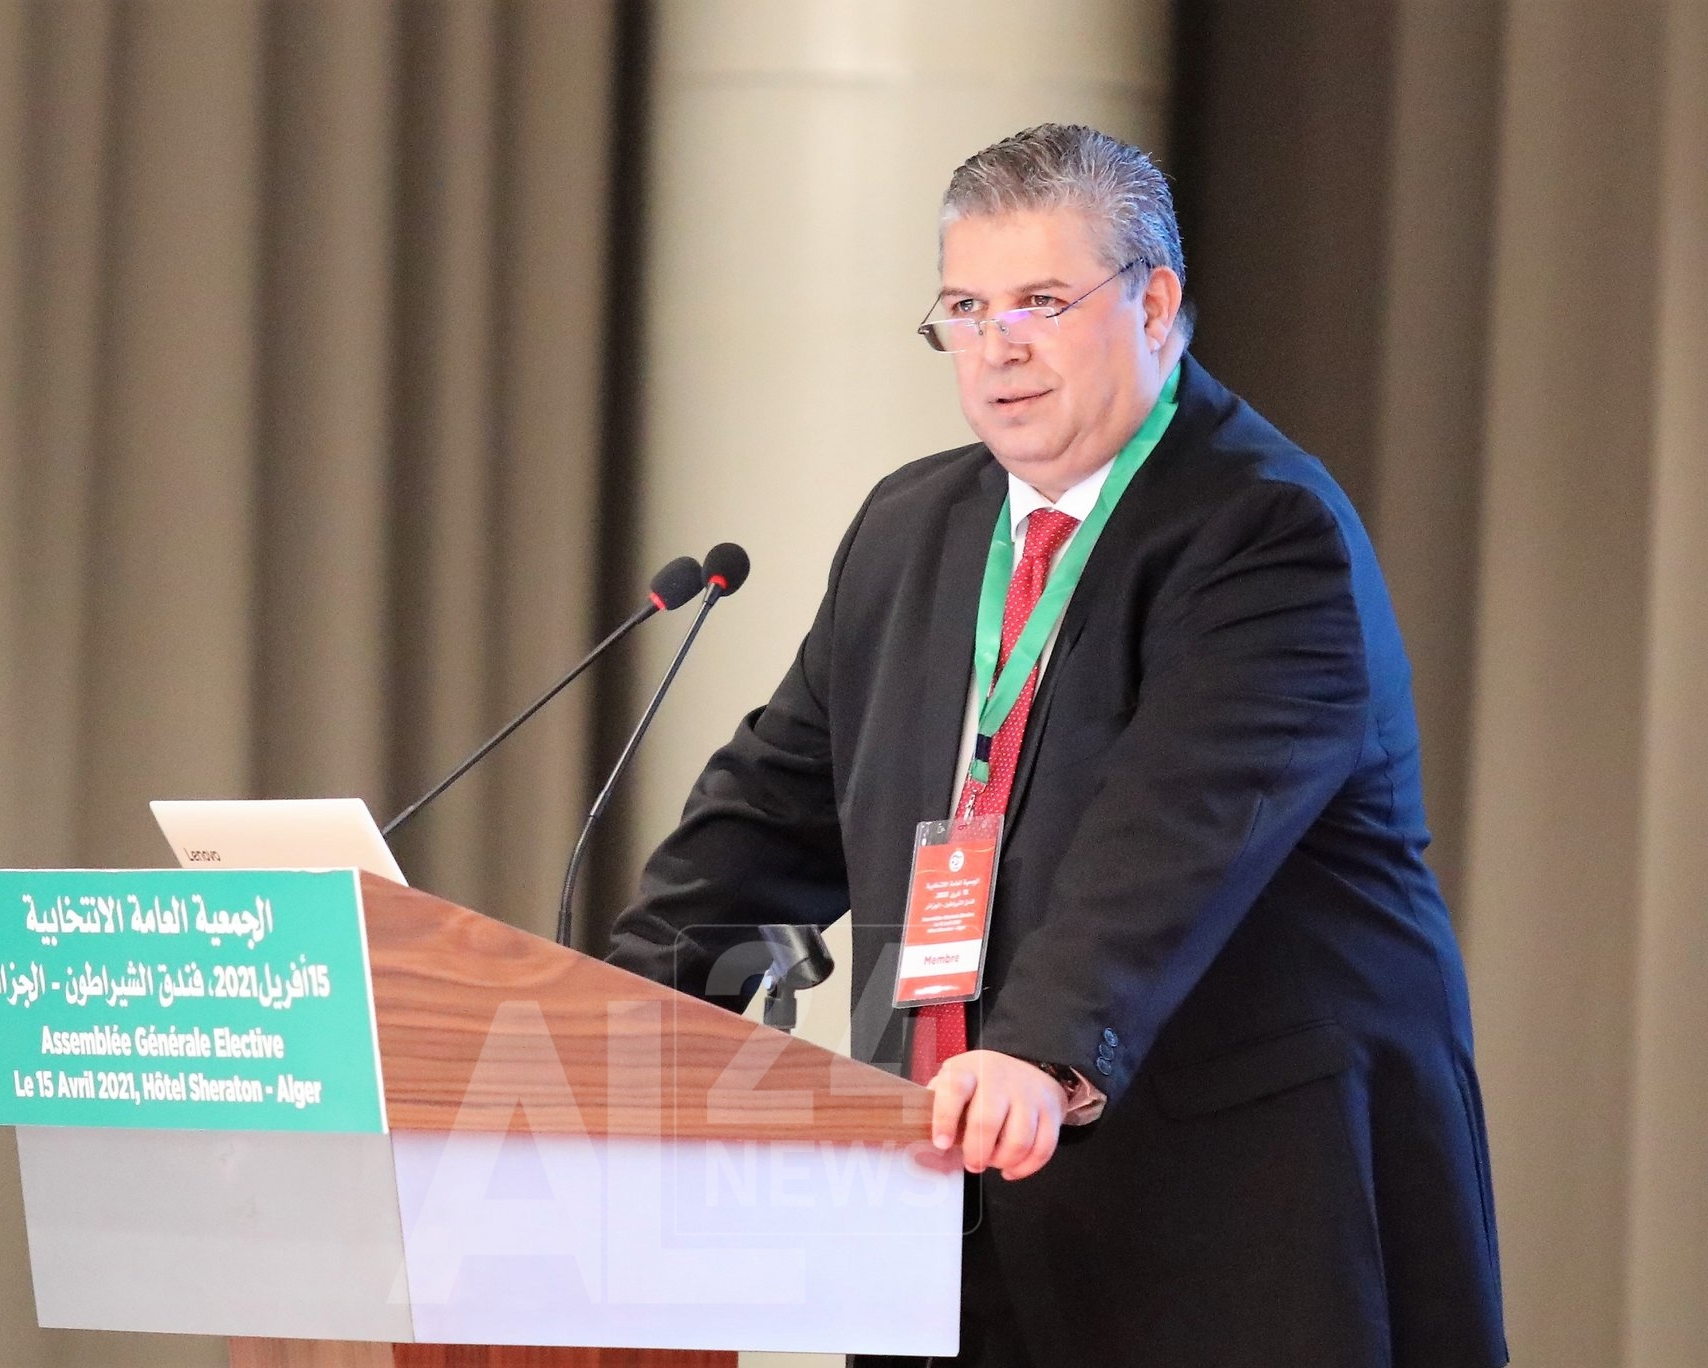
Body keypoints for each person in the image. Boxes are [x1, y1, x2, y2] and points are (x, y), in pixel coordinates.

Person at [606, 124, 1506, 1368]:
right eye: (965, 308)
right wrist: (621, 1013)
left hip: (1227, 1218)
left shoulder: (1261, 532)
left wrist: (1036, 1048)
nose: (998, 346)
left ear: (1155, 304)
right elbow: (773, 811)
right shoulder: (910, 527)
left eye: (1039, 301)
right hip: (948, 1211)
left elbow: (1175, 834)